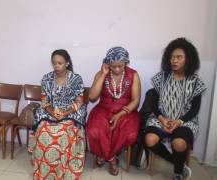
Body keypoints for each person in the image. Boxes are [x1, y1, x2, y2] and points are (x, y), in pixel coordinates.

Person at [144, 37, 206, 180]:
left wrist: (178, 122)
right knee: (149, 140)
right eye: (172, 57)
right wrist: (162, 119)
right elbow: (153, 102)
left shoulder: (195, 82)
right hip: (161, 119)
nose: (174, 60)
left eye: (179, 57)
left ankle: (177, 172)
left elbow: (195, 110)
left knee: (178, 142)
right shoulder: (162, 78)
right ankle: (177, 162)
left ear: (188, 59)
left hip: (185, 121)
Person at [28, 49, 87, 180]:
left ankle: (63, 169)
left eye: (60, 63)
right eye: (54, 63)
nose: (57, 66)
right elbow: (44, 100)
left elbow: (80, 101)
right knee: (43, 130)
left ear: (67, 63)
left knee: (64, 131)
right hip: (51, 111)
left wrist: (64, 113)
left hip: (70, 112)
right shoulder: (47, 78)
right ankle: (45, 169)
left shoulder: (76, 79)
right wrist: (53, 113)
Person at [86, 47, 141, 175]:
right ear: (108, 63)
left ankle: (105, 156)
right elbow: (92, 97)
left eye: (120, 66)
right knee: (94, 130)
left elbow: (136, 100)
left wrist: (120, 114)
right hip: (103, 108)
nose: (116, 69)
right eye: (113, 66)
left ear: (126, 63)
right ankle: (111, 159)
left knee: (128, 133)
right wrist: (103, 74)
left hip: (126, 111)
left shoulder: (133, 75)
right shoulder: (101, 73)